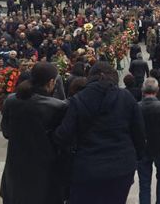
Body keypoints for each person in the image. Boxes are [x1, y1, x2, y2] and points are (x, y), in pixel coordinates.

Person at [54, 62, 146, 204]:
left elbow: (64, 135)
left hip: (87, 168)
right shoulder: (126, 97)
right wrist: (135, 157)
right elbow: (139, 133)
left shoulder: (79, 99)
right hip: (121, 167)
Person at [0, 62, 67, 204]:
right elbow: (62, 140)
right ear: (51, 82)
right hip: (45, 174)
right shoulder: (58, 107)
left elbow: (6, 132)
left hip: (15, 169)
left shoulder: (11, 100)